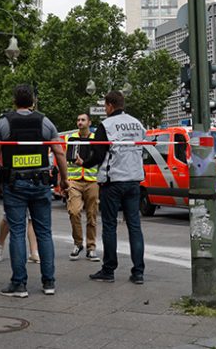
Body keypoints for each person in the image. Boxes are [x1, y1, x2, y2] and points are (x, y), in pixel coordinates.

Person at [0, 84, 68, 298]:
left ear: (14, 101)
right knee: (44, 232)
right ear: (33, 101)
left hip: (14, 184)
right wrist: (65, 180)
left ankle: (19, 284)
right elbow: (59, 153)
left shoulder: (3, 123)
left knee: (17, 232)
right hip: (41, 183)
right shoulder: (45, 122)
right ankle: (49, 282)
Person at [81, 90, 147, 285]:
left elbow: (98, 155)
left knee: (110, 226)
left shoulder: (106, 125)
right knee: (134, 226)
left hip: (113, 181)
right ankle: (138, 272)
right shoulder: (137, 124)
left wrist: (83, 162)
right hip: (134, 181)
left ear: (109, 105)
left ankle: (109, 270)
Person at [64, 113, 100, 261]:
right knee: (73, 211)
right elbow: (64, 159)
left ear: (89, 122)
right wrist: (64, 178)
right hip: (74, 180)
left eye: (83, 120)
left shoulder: (96, 139)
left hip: (92, 180)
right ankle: (78, 243)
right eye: (78, 120)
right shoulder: (69, 138)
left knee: (92, 215)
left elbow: (100, 158)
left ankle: (91, 247)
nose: (80, 122)